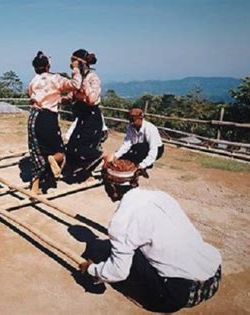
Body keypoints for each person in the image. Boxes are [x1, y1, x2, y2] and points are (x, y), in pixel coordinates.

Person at [79, 158, 222, 313]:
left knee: (103, 253)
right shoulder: (161, 196)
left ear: (112, 187)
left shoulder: (122, 220)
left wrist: (91, 269)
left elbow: (118, 272)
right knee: (124, 247)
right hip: (213, 276)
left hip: (181, 293)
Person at [27, 51, 82, 195]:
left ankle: (34, 188)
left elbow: (31, 97)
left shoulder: (33, 81)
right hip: (48, 117)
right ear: (47, 65)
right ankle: (52, 159)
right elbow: (75, 85)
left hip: (33, 118)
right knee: (59, 152)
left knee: (36, 152)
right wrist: (75, 69)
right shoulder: (56, 79)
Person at [64, 49, 106, 181]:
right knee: (71, 147)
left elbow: (91, 99)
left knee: (83, 148)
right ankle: (77, 170)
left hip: (92, 117)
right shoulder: (77, 78)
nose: (71, 64)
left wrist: (83, 80)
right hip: (81, 116)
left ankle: (101, 156)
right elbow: (71, 95)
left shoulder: (93, 78)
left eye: (73, 61)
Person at [113, 107, 164, 174]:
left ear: (141, 118)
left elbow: (153, 149)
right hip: (138, 145)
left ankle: (146, 164)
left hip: (156, 149)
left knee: (141, 150)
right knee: (123, 157)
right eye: (130, 120)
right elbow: (127, 144)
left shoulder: (150, 129)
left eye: (133, 120)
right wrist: (116, 155)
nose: (131, 123)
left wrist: (143, 164)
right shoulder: (130, 127)